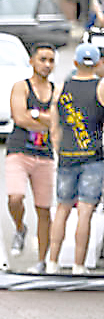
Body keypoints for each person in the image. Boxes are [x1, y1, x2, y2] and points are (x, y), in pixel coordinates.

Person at [47, 44, 104, 275]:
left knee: (62, 208)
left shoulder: (62, 87)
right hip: (93, 156)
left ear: (75, 63)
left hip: (67, 155)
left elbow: (54, 126)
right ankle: (79, 266)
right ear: (98, 63)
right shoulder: (100, 87)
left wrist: (57, 151)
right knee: (85, 211)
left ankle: (52, 262)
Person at [5, 43, 57, 272]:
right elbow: (20, 118)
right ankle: (20, 228)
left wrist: (34, 113)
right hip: (19, 151)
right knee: (15, 197)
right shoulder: (21, 87)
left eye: (51, 60)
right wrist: (45, 119)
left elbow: (59, 121)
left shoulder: (56, 90)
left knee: (44, 208)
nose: (46, 65)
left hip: (45, 154)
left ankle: (42, 260)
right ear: (32, 61)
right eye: (42, 59)